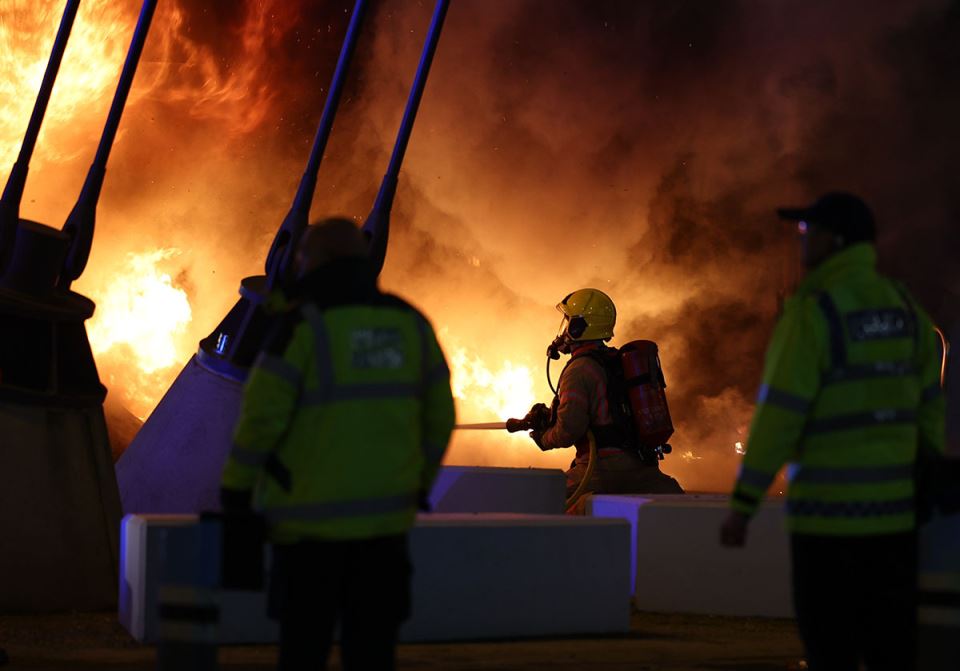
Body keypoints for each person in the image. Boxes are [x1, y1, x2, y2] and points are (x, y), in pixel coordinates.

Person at [720, 192, 945, 671]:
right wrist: (931, 475)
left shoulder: (813, 314)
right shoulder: (906, 309)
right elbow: (931, 408)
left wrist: (743, 506)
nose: (801, 243)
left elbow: (779, 417)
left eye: (808, 233)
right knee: (892, 653)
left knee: (832, 653)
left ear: (834, 241)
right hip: (895, 526)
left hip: (827, 527)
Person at [220, 217, 455, 671]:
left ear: (316, 261)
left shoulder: (299, 328)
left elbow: (259, 423)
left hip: (307, 536)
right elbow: (439, 419)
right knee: (371, 653)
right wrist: (416, 485)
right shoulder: (411, 325)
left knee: (303, 652)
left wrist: (235, 492)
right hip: (384, 532)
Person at [525, 288, 683, 500]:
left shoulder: (578, 370)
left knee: (537, 502)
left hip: (600, 470)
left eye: (568, 321)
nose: (563, 330)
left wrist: (543, 437)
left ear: (579, 326)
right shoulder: (618, 361)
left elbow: (568, 430)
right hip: (641, 466)